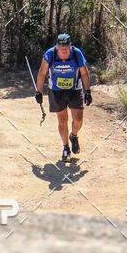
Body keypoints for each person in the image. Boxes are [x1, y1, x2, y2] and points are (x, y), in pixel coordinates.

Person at [35, 33, 92, 161]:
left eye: (66, 47)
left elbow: (84, 73)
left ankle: (74, 136)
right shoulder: (50, 54)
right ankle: (66, 147)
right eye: (61, 48)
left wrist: (87, 91)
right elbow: (42, 73)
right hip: (56, 91)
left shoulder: (77, 53)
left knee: (78, 119)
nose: (64, 50)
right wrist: (38, 92)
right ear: (57, 46)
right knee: (62, 119)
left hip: (74, 89)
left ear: (70, 45)